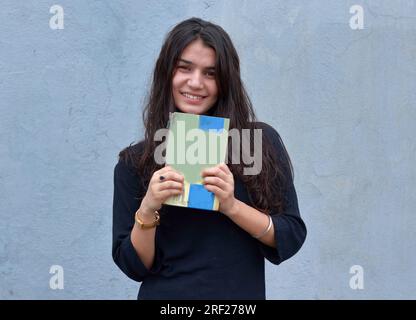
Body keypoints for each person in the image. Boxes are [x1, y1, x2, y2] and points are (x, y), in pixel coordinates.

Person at [112, 17, 307, 300]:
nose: (195, 83)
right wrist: (148, 208)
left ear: (225, 81)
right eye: (184, 68)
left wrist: (231, 206)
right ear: (166, 73)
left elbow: (289, 236)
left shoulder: (257, 144)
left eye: (210, 73)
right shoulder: (136, 162)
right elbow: (134, 266)